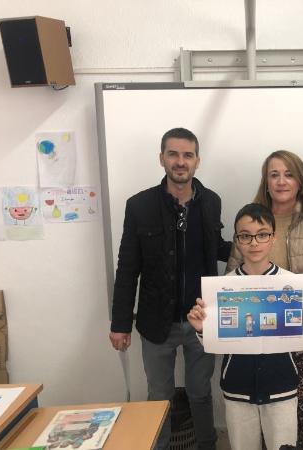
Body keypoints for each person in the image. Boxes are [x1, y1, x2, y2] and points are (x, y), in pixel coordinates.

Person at [109, 127, 231, 450]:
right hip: (155, 322)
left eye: (187, 155)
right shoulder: (139, 206)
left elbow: (216, 247)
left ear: (197, 161)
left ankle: (206, 445)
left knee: (200, 392)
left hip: (201, 320)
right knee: (159, 396)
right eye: (173, 154)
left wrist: (252, 247)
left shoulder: (211, 201)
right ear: (161, 158)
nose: (180, 161)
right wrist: (120, 323)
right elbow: (127, 268)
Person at [187, 203, 303, 450]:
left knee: (283, 446)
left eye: (262, 234)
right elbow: (214, 343)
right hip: (237, 388)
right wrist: (202, 328)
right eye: (245, 236)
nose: (254, 243)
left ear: (273, 238)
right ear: (237, 241)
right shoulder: (223, 288)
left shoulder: (292, 285)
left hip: (282, 387)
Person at [226, 150, 303, 450]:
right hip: (257, 334)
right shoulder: (251, 219)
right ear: (266, 181)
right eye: (274, 175)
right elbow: (232, 279)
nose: (281, 181)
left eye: (289, 174)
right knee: (263, 406)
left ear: (300, 181)